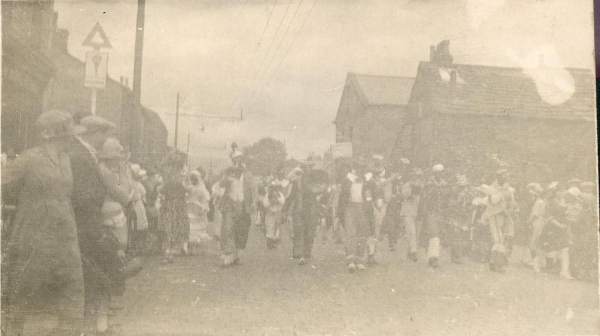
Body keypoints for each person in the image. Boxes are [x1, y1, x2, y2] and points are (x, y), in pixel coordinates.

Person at [2, 111, 85, 336]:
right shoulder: (28, 160)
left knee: (72, 287)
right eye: (68, 133)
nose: (71, 138)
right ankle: (13, 331)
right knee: (24, 288)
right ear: (55, 134)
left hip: (65, 233)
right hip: (34, 232)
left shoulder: (66, 160)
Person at [70, 115, 121, 333]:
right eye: (103, 134)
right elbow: (83, 194)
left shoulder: (87, 153)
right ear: (92, 133)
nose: (105, 139)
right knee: (93, 271)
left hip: (90, 220)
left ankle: (95, 321)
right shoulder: (80, 155)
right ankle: (91, 324)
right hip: (85, 222)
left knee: (94, 272)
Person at [337, 158, 370, 272]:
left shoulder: (365, 181)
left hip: (361, 208)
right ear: (355, 168)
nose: (360, 170)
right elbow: (342, 198)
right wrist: (340, 212)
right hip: (349, 207)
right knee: (350, 233)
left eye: (362, 168)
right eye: (359, 167)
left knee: (362, 233)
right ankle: (350, 260)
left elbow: (368, 196)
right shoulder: (347, 180)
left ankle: (359, 260)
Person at [158, 151, 190, 262]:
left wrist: (183, 185)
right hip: (169, 205)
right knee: (168, 230)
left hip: (178, 206)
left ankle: (170, 253)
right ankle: (167, 253)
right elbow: (159, 190)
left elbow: (189, 190)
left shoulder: (182, 178)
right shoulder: (167, 178)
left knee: (175, 230)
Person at [484, 169, 517, 273]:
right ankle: (497, 265)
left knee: (501, 239)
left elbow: (513, 203)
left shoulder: (508, 189)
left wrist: (510, 210)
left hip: (504, 216)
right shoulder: (491, 188)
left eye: (506, 176)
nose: (506, 178)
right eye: (503, 176)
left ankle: (494, 263)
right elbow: (494, 201)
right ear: (498, 177)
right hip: (494, 216)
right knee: (497, 239)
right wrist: (503, 192)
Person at [419, 164, 449, 268]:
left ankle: (432, 256)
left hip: (441, 213)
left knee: (438, 236)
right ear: (434, 173)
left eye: (441, 173)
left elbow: (447, 199)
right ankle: (433, 258)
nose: (440, 175)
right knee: (434, 235)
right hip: (430, 212)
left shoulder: (445, 184)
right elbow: (423, 199)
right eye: (437, 173)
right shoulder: (428, 184)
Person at [398, 168, 423, 262]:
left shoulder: (421, 186)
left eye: (419, 176)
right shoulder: (406, 186)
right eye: (415, 176)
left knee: (415, 233)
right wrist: (413, 188)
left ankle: (408, 252)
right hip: (408, 212)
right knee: (411, 232)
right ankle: (413, 252)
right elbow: (407, 196)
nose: (417, 178)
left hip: (417, 211)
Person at [184, 169, 211, 254]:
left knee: (191, 229)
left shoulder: (192, 189)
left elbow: (205, 200)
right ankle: (189, 247)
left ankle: (189, 247)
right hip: (192, 209)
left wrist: (203, 208)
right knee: (192, 228)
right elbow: (204, 201)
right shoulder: (194, 189)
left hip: (192, 210)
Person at [446, 175, 471, 264]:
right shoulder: (455, 194)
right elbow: (451, 205)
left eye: (464, 186)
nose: (463, 188)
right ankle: (455, 257)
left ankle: (459, 256)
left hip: (463, 217)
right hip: (455, 217)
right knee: (456, 237)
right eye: (461, 186)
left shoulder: (467, 194)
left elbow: (468, 206)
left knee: (462, 236)